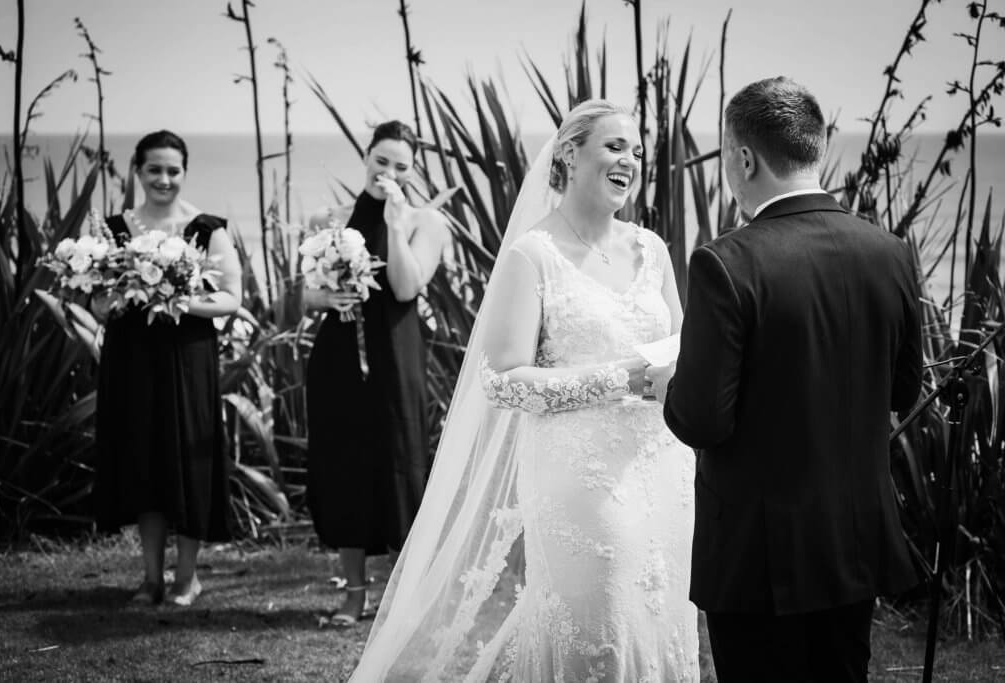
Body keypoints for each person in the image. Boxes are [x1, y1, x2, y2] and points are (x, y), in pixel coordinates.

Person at [350, 100, 699, 681]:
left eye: (637, 151)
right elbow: (503, 379)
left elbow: (681, 344)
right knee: (602, 625)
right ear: (569, 153)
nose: (630, 160)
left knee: (659, 619)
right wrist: (620, 379)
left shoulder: (651, 249)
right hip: (580, 481)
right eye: (615, 146)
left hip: (661, 469)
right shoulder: (532, 255)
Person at [654, 77, 922, 682]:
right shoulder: (890, 251)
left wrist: (669, 384)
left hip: (759, 554)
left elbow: (701, 418)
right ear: (815, 148)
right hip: (854, 540)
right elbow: (901, 392)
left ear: (744, 158)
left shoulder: (726, 262)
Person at [304, 120, 450, 627]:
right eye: (380, 160)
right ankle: (353, 594)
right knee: (343, 465)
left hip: (396, 356)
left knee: (398, 462)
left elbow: (407, 288)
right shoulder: (329, 218)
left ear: (411, 172)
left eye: (400, 166)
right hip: (338, 357)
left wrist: (392, 221)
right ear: (366, 157)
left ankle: (400, 597)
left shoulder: (425, 223)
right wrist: (326, 296)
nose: (388, 171)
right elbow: (304, 294)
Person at [93, 130, 243, 606]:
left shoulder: (206, 228)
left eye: (173, 170)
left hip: (188, 360)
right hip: (133, 361)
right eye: (154, 169)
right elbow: (99, 305)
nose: (164, 179)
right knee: (145, 464)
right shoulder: (114, 229)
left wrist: (178, 297)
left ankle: (188, 578)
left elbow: (231, 300)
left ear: (184, 172)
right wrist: (126, 291)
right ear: (137, 170)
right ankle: (151, 577)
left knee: (189, 464)